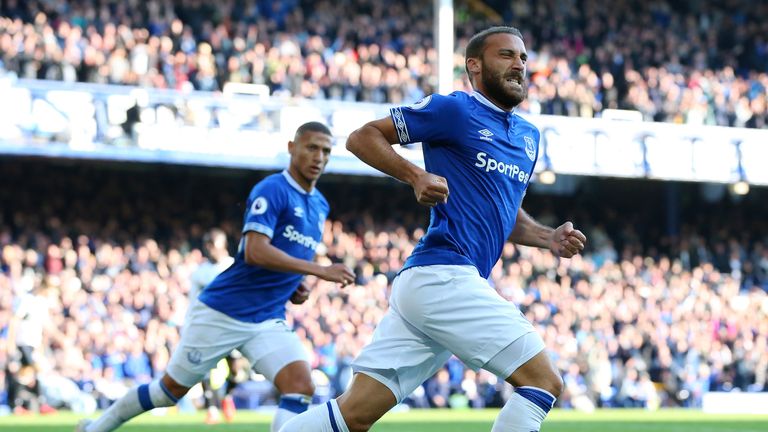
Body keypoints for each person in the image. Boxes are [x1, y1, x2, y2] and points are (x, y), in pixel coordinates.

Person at [281, 26, 587, 432]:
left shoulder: (528, 138)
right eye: (506, 56)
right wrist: (414, 175)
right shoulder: (455, 110)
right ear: (474, 67)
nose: (518, 65)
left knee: (352, 415)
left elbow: (503, 210)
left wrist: (546, 237)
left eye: (523, 58)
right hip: (445, 277)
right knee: (543, 382)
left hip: (431, 285)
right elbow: (361, 137)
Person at [77, 121, 356, 432]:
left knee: (300, 385)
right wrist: (319, 270)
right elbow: (254, 250)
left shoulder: (319, 204)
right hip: (223, 312)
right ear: (292, 148)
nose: (319, 157)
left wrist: (295, 284)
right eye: (312, 147)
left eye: (326, 151)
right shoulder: (273, 189)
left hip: (266, 318)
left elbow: (287, 253)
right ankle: (95, 428)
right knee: (168, 392)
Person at [186, 228, 237, 424]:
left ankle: (227, 397)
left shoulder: (234, 266)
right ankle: (213, 408)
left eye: (213, 245)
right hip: (209, 327)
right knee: (206, 367)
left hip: (234, 326)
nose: (210, 250)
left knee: (238, 370)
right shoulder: (200, 273)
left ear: (223, 245)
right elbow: (194, 302)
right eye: (207, 246)